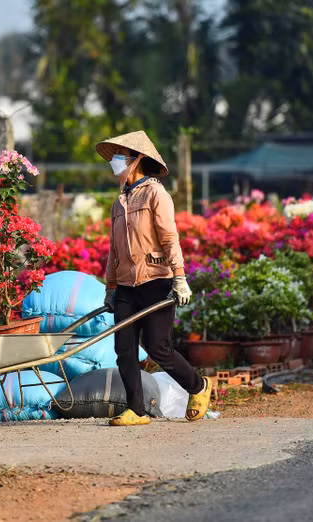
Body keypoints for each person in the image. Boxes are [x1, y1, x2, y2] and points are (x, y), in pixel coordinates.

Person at [97, 130, 211, 426]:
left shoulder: (155, 194)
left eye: (122, 156)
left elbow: (170, 238)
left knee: (158, 346)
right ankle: (136, 409)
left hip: (156, 280)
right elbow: (114, 250)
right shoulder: (118, 203)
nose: (116, 162)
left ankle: (198, 387)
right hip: (125, 286)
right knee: (124, 348)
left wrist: (180, 277)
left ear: (136, 160)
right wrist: (110, 288)